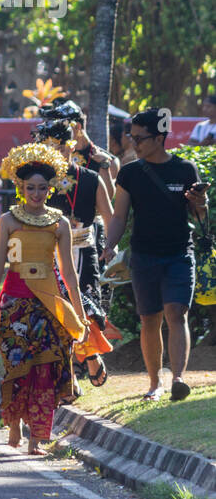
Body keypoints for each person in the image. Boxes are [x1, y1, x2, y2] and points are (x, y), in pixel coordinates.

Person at [100, 108, 208, 401]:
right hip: (144, 255)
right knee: (150, 319)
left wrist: (201, 201)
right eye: (131, 137)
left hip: (178, 254)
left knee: (176, 312)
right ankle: (154, 382)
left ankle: (178, 378)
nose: (134, 144)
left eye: (140, 138)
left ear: (160, 138)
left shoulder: (185, 170)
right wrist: (109, 244)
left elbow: (199, 213)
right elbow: (119, 216)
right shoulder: (130, 172)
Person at [0, 143, 88, 454]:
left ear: (50, 188)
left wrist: (79, 315)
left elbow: (69, 274)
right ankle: (15, 420)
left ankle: (36, 438)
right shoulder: (8, 221)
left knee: (46, 370)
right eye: (31, 187)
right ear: (20, 187)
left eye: (43, 188)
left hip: (50, 304)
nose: (36, 193)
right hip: (14, 305)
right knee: (18, 366)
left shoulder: (60, 222)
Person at [34, 118, 115, 386]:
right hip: (48, 253)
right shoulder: (37, 182)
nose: (57, 152)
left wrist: (112, 246)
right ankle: (70, 370)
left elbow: (109, 216)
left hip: (84, 249)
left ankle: (90, 355)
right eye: (50, 147)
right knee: (56, 310)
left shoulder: (90, 179)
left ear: (72, 145)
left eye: (61, 146)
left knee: (87, 307)